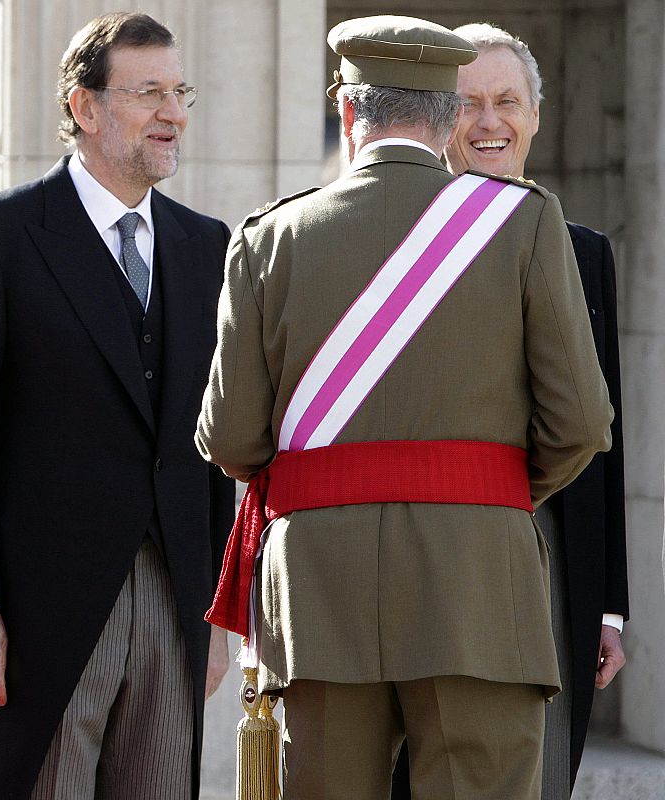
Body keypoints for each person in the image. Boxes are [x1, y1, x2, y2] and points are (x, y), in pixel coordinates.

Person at [197, 14, 614, 800]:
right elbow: (582, 423)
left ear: (347, 111)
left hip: (320, 590)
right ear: (452, 118)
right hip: (480, 587)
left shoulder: (268, 238)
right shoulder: (521, 223)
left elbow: (230, 437)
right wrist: (483, 497)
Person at [0, 12, 234, 800]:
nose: (174, 113)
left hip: (174, 602)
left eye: (179, 90)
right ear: (85, 108)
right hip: (37, 610)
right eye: (148, 92)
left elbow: (215, 437)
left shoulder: (207, 246)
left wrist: (220, 606)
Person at [391, 22, 629, 800]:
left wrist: (610, 605)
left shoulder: (585, 249)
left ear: (535, 114)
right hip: (432, 544)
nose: (490, 123)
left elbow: (604, 432)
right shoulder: (400, 242)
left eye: (508, 102)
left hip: (551, 548)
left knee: (541, 767)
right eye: (468, 105)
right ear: (436, 119)